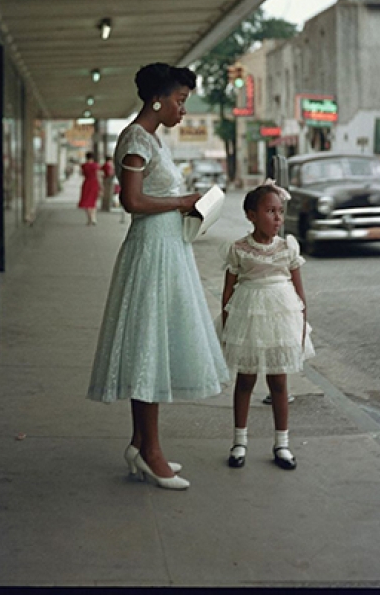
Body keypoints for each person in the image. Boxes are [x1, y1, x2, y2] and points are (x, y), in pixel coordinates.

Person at [86, 63, 231, 491]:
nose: (183, 110)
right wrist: (183, 201)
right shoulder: (136, 139)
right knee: (148, 346)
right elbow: (131, 201)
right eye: (180, 101)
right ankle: (151, 452)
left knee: (154, 345)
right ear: (157, 99)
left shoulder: (152, 140)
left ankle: (140, 444)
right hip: (151, 250)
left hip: (168, 248)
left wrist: (187, 205)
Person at [218, 181, 312, 470]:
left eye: (280, 211)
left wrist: (301, 326)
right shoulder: (239, 249)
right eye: (270, 211)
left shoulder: (287, 248)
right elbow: (228, 291)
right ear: (251, 215)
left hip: (280, 319)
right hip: (248, 317)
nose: (277, 218)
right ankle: (239, 441)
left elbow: (300, 293)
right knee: (245, 379)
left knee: (279, 382)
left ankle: (282, 443)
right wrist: (227, 327)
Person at [78, 151, 103, 226]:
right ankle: (93, 218)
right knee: (93, 201)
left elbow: (82, 174)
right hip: (94, 183)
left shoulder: (83, 165)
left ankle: (90, 219)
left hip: (86, 183)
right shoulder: (96, 165)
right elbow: (98, 176)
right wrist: (101, 186)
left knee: (86, 202)